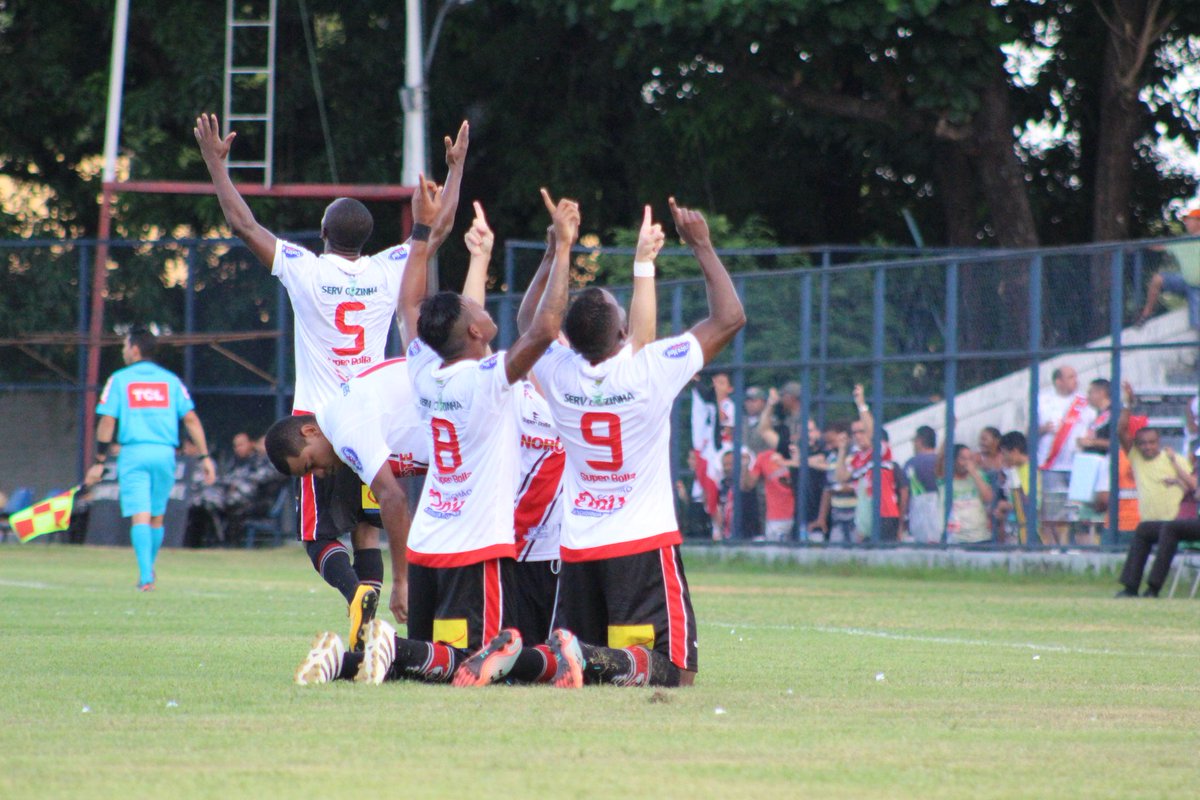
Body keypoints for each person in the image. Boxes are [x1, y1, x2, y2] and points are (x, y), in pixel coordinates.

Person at [194, 112, 467, 631]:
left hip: (317, 426)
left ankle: (354, 595)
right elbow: (441, 228)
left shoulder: (307, 268)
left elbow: (244, 225)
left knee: (318, 536)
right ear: (366, 239)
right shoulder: (388, 267)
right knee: (368, 529)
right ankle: (375, 619)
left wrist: (216, 165)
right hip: (373, 423)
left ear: (322, 234)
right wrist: (454, 171)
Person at [512, 196, 745, 689]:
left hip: (578, 546)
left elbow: (529, 321)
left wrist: (557, 250)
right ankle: (581, 655)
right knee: (673, 670)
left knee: (577, 664)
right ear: (622, 330)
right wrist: (701, 245)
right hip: (640, 544)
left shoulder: (557, 373)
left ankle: (522, 659)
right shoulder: (648, 370)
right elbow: (728, 318)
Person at [84, 327, 216, 589]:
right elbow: (190, 419)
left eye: (125, 346)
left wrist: (99, 461)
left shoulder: (119, 379)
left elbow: (107, 421)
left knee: (140, 515)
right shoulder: (170, 381)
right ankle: (149, 571)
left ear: (134, 349)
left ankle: (145, 576)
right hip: (165, 454)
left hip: (133, 453)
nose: (123, 351)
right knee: (157, 516)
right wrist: (204, 457)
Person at [1115, 382, 1197, 597]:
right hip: (1154, 522)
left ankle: (1153, 588)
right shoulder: (1137, 459)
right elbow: (1121, 431)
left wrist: (1177, 477)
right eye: (1143, 443)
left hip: (1177, 521)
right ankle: (1130, 587)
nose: (1148, 447)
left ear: (1158, 442)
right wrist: (1127, 404)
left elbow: (1193, 487)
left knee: (1169, 530)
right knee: (1143, 530)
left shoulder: (1174, 458)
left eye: (1152, 443)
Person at [1036, 365, 1095, 545]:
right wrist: (1042, 429)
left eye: (1075, 376)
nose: (1076, 380)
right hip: (1052, 466)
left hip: (1081, 465)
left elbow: (1095, 426)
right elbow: (1029, 432)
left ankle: (1082, 549)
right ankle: (1057, 550)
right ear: (1058, 381)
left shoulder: (1085, 402)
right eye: (1070, 377)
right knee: (1055, 514)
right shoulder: (1042, 401)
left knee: (1081, 514)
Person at [1135, 207, 1200, 328]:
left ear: (1198, 221)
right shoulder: (1182, 242)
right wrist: (1139, 244)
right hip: (1187, 281)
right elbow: (1159, 246)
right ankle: (1146, 313)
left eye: (1189, 220)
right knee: (1157, 279)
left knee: (1197, 325)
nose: (1186, 223)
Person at [938, 445, 994, 544]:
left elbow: (988, 498)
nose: (967, 463)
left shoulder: (979, 476)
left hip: (980, 536)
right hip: (956, 538)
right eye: (963, 459)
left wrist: (974, 473)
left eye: (970, 458)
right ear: (954, 460)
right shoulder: (945, 482)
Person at [904, 425, 940, 543]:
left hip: (918, 515)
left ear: (919, 441)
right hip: (941, 513)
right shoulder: (942, 462)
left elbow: (905, 492)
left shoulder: (911, 463)